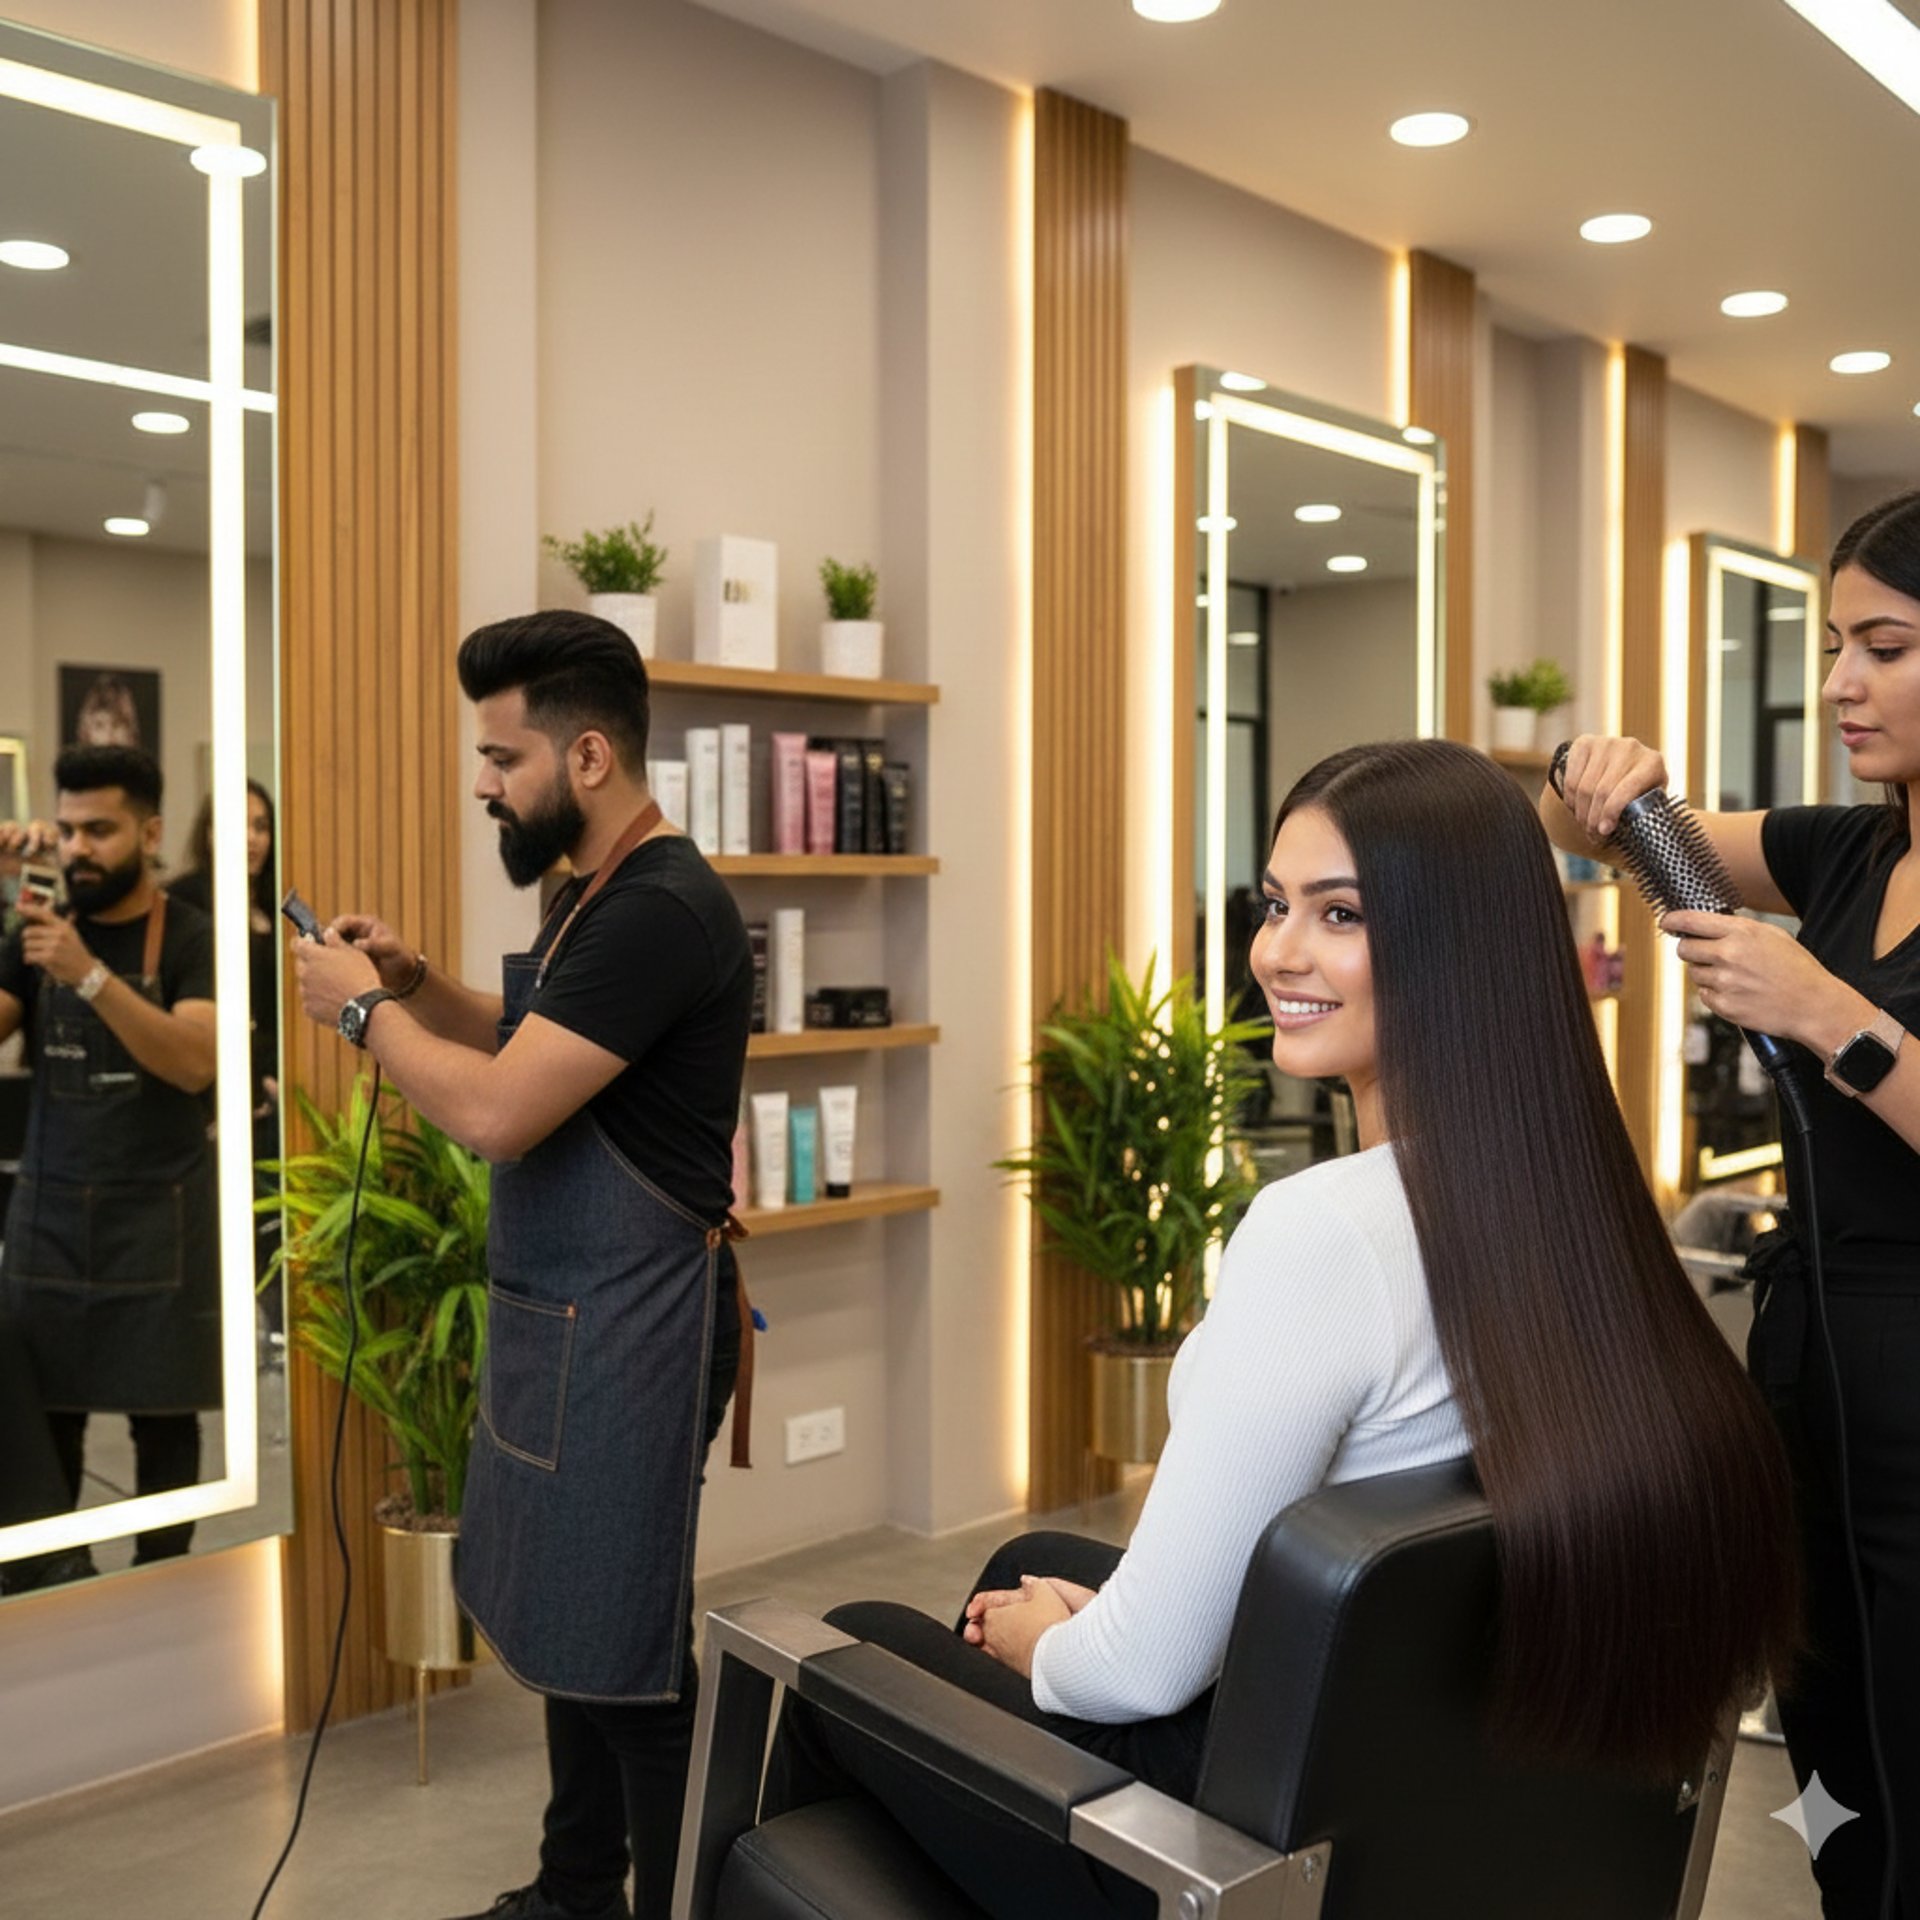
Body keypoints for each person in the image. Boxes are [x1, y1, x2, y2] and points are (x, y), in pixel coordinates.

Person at [764, 738, 1800, 1920]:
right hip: (1415, 1796)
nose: (1277, 953)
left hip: (1228, 1860)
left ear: (1457, 945)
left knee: (849, 1642)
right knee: (1018, 1570)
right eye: (1274, 906)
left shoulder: (1324, 1233)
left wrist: (1050, 1651)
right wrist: (1064, 1622)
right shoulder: (1573, 1203)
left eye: (1341, 913)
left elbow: (1146, 1668)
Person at [289, 610, 753, 1920]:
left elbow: (498, 1111)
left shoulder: (666, 910)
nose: (483, 782)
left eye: (503, 757)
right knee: (569, 1621)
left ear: (589, 756)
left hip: (642, 1321)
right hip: (566, 1311)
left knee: (633, 1655)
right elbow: (538, 1036)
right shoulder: (590, 894)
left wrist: (364, 1014)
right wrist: (418, 980)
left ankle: (668, 1905)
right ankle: (571, 1890)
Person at [1544, 489, 1920, 1920]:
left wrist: (1835, 1015)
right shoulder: (1845, 853)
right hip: (1810, 1362)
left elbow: (1846, 1041)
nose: (1838, 683)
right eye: (1834, 644)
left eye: (1882, 646)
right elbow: (1614, 840)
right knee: (1833, 1755)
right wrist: (1608, 783)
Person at [0, 745, 220, 1564]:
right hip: (51, 1217)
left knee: (164, 1428)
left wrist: (89, 976)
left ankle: (161, 1593)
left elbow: (195, 1060)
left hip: (156, 1225)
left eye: (100, 829)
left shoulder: (193, 935)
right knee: (41, 1424)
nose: (78, 848)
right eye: (66, 830)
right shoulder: (38, 928)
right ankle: (65, 1591)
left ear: (151, 830)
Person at [170, 781, 283, 1334]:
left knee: (266, 1230)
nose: (252, 838)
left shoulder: (280, 901)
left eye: (261, 825)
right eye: (239, 824)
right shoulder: (183, 905)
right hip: (204, 1094)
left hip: (272, 1092)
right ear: (210, 834)